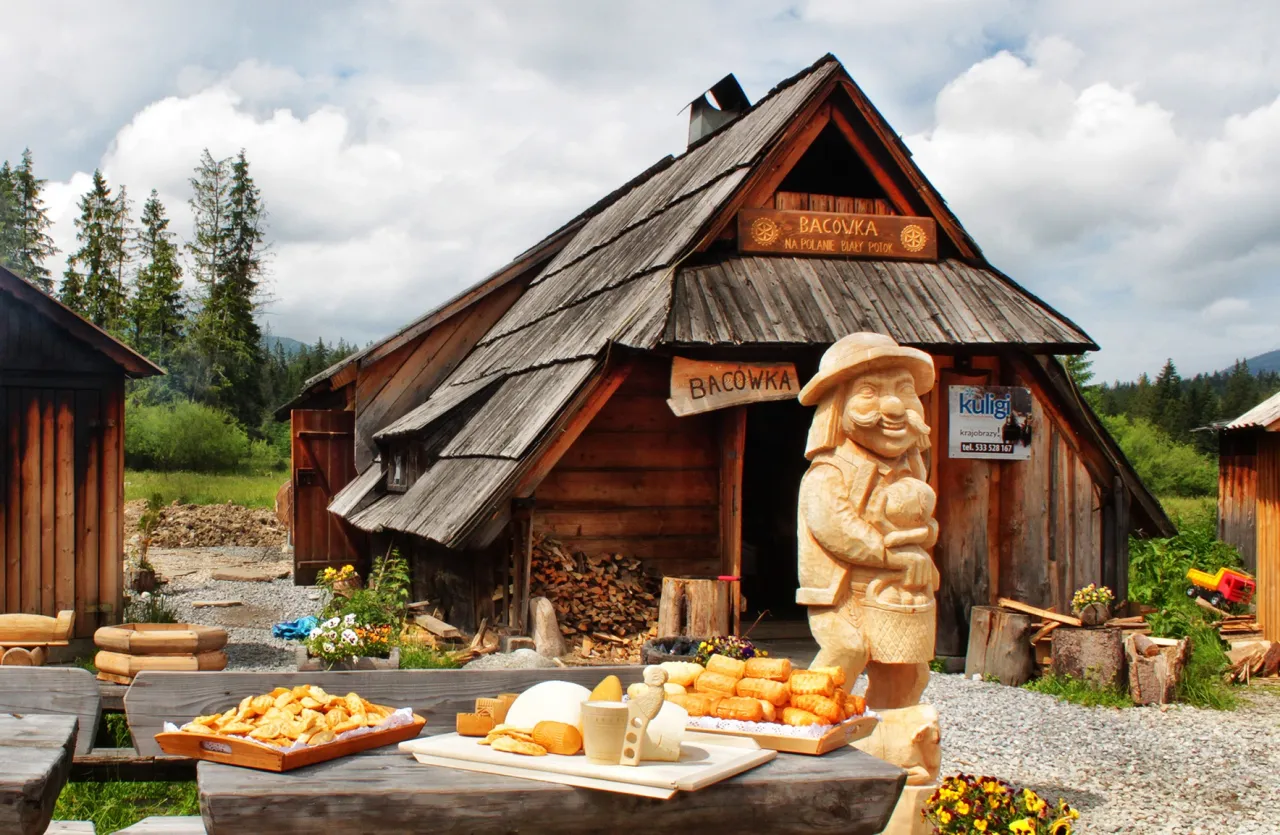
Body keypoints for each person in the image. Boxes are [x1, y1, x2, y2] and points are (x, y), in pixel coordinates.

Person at [796, 332, 940, 709]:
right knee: (846, 651)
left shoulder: (911, 469)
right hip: (841, 596)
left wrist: (925, 536)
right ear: (836, 406)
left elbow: (922, 525)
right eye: (870, 392)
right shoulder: (829, 471)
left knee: (908, 670)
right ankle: (809, 725)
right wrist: (892, 554)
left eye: (904, 390)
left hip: (898, 594)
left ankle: (891, 737)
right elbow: (837, 527)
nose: (893, 407)